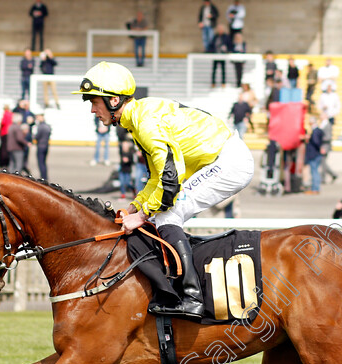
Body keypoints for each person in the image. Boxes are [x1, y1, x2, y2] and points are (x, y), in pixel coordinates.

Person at [73, 61, 254, 318]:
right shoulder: (139, 119)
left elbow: (170, 182)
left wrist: (142, 215)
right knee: (161, 214)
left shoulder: (145, 124)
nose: (92, 110)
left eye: (94, 101)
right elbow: (158, 177)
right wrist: (136, 205)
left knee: (167, 214)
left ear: (113, 100)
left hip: (228, 162)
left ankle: (191, 297)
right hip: (221, 158)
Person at [304, 116, 326, 195]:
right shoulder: (319, 130)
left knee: (314, 171)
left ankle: (315, 189)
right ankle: (315, 188)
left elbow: (316, 142)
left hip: (314, 153)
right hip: (316, 153)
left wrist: (309, 139)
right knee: (315, 171)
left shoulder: (315, 131)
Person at [34, 113, 51, 180]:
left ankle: (43, 177)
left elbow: (37, 136)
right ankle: (45, 176)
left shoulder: (41, 126)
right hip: (46, 145)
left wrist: (34, 137)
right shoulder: (48, 126)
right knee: (44, 162)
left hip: (41, 145)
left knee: (41, 163)